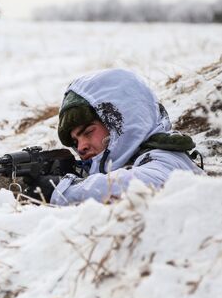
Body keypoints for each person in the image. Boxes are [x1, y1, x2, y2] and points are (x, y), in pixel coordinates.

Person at [49, 68, 203, 205]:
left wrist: (61, 189)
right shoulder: (125, 163)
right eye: (75, 141)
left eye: (88, 132)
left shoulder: (166, 158)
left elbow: (138, 188)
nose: (81, 147)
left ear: (120, 121)